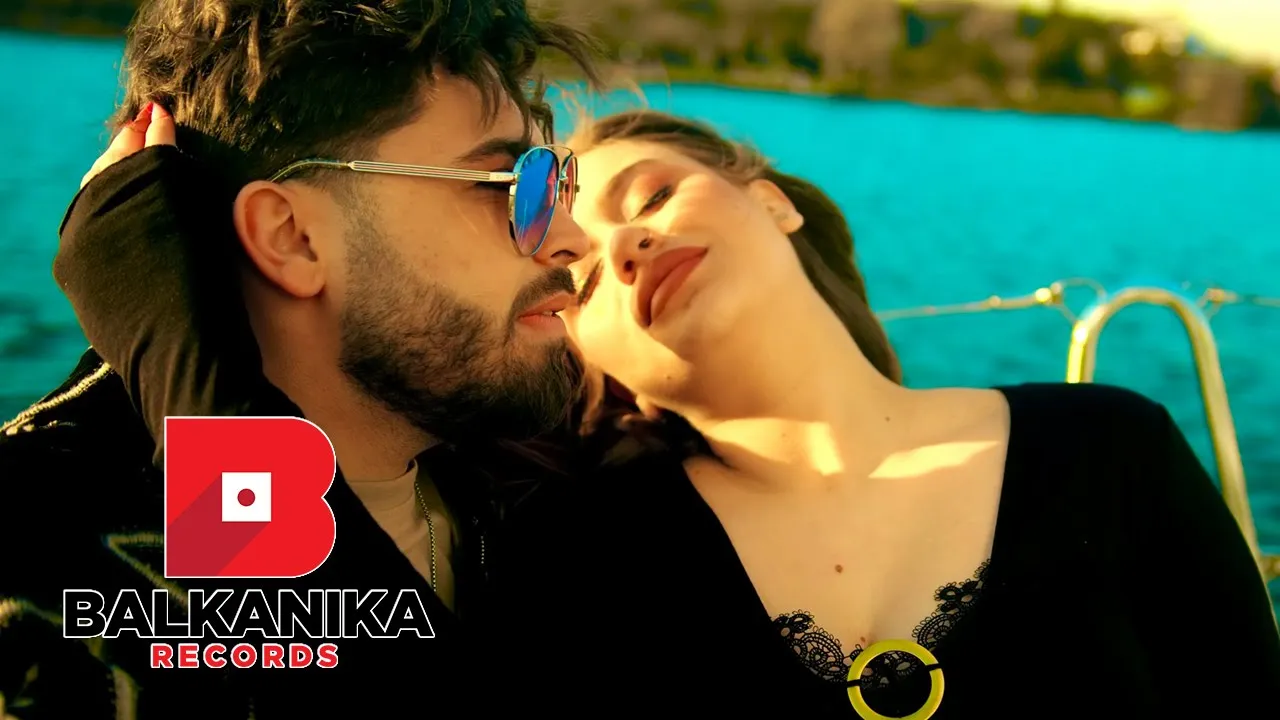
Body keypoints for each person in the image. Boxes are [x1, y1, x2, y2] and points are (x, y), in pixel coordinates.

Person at [32, 105, 1280, 718]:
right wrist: (188, 364)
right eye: (573, 274)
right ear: (579, 352)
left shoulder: (1107, 445)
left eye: (649, 195)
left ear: (767, 198)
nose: (620, 247)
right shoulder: (577, 548)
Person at [0, 0, 601, 717]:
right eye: (510, 185)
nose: (573, 237)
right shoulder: (43, 558)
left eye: (554, 181)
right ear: (290, 237)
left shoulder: (537, 485)